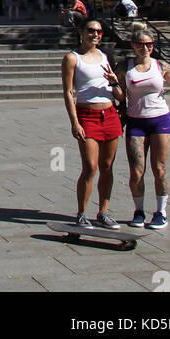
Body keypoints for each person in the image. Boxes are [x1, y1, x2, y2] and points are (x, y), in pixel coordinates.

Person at [117, 23, 170, 230]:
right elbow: (117, 93)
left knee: (159, 168)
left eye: (149, 44)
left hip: (160, 120)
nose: (145, 48)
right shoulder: (125, 66)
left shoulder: (161, 66)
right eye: (141, 44)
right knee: (137, 171)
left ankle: (161, 212)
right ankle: (139, 210)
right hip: (136, 121)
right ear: (133, 45)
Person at [61, 19, 124, 231]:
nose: (95, 35)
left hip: (110, 114)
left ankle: (104, 211)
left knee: (107, 167)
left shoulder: (105, 56)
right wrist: (74, 122)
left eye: (98, 31)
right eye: (90, 31)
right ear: (81, 32)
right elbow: (68, 92)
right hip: (87, 116)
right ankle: (82, 212)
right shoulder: (72, 58)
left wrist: (115, 82)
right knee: (90, 167)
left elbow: (118, 93)